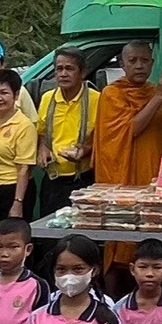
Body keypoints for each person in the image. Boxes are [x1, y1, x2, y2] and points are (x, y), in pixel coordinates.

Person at [93, 40, 162, 187]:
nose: (139, 66)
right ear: (122, 64)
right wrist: (159, 97)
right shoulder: (112, 93)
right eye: (132, 61)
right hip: (123, 174)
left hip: (153, 169)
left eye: (145, 60)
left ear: (152, 63)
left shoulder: (154, 91)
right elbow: (132, 129)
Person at [0, 70, 39, 235]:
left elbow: (24, 168)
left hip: (13, 190)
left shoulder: (24, 126)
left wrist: (18, 203)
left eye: (4, 93)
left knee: (13, 239)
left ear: (16, 95)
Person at [36, 47, 99, 211]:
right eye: (59, 69)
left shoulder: (96, 100)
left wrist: (86, 150)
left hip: (84, 180)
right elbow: (42, 133)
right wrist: (43, 149)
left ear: (82, 73)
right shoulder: (48, 98)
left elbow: (104, 139)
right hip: (53, 181)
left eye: (69, 69)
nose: (63, 74)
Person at [117, 237, 162, 324]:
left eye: (157, 267)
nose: (149, 274)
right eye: (143, 267)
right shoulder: (121, 308)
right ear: (132, 269)